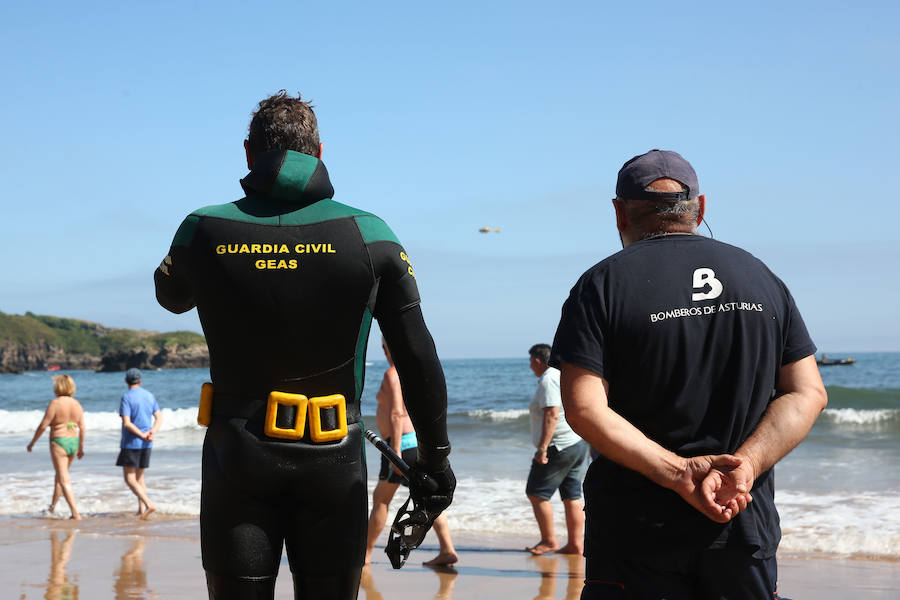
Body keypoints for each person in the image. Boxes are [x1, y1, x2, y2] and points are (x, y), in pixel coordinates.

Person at [154, 90, 455, 600]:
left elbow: (171, 297)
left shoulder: (202, 229)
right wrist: (435, 457)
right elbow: (415, 352)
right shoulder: (370, 233)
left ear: (249, 154)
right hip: (332, 457)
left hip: (237, 456)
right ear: (319, 152)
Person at [550, 149, 828, 599]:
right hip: (740, 522)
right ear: (700, 208)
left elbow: (584, 408)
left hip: (636, 534)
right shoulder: (760, 277)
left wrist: (679, 472)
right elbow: (807, 392)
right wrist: (747, 465)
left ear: (619, 213)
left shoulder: (601, 285)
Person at [365, 339, 458, 567]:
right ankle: (447, 550)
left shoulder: (392, 373)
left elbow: (396, 414)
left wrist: (394, 452)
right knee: (427, 501)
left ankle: (365, 555)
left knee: (381, 500)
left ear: (387, 349)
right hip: (415, 444)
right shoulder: (413, 374)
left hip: (399, 447)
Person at [525, 344, 589, 556]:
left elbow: (551, 414)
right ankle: (574, 544)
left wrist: (542, 448)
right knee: (572, 495)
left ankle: (549, 541)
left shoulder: (548, 379)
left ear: (537, 361)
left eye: (530, 362)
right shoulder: (561, 375)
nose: (530, 366)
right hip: (576, 442)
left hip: (559, 446)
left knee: (536, 494)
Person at [26, 374, 85, 520]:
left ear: (58, 387)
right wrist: (80, 448)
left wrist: (32, 442)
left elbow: (43, 425)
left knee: (64, 479)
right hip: (73, 442)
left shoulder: (55, 403)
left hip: (59, 442)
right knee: (59, 476)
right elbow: (83, 428)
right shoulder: (77, 404)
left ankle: (75, 513)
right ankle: (52, 508)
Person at [116, 368, 162, 520]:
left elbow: (127, 423)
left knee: (130, 479)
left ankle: (148, 504)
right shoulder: (149, 395)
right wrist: (152, 432)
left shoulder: (127, 397)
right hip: (147, 444)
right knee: (140, 478)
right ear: (140, 381)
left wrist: (142, 435)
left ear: (126, 381)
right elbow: (159, 418)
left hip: (132, 443)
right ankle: (141, 509)